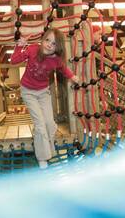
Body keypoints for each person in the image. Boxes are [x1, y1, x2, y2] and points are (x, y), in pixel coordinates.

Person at [10, 28, 79, 169]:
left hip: (43, 93)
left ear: (58, 47)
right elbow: (13, 61)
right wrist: (19, 46)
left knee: (49, 124)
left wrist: (72, 76)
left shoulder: (56, 60)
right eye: (47, 40)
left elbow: (64, 69)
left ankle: (50, 151)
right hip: (28, 91)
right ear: (43, 40)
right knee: (40, 124)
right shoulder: (33, 49)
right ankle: (42, 158)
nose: (49, 45)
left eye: (53, 44)